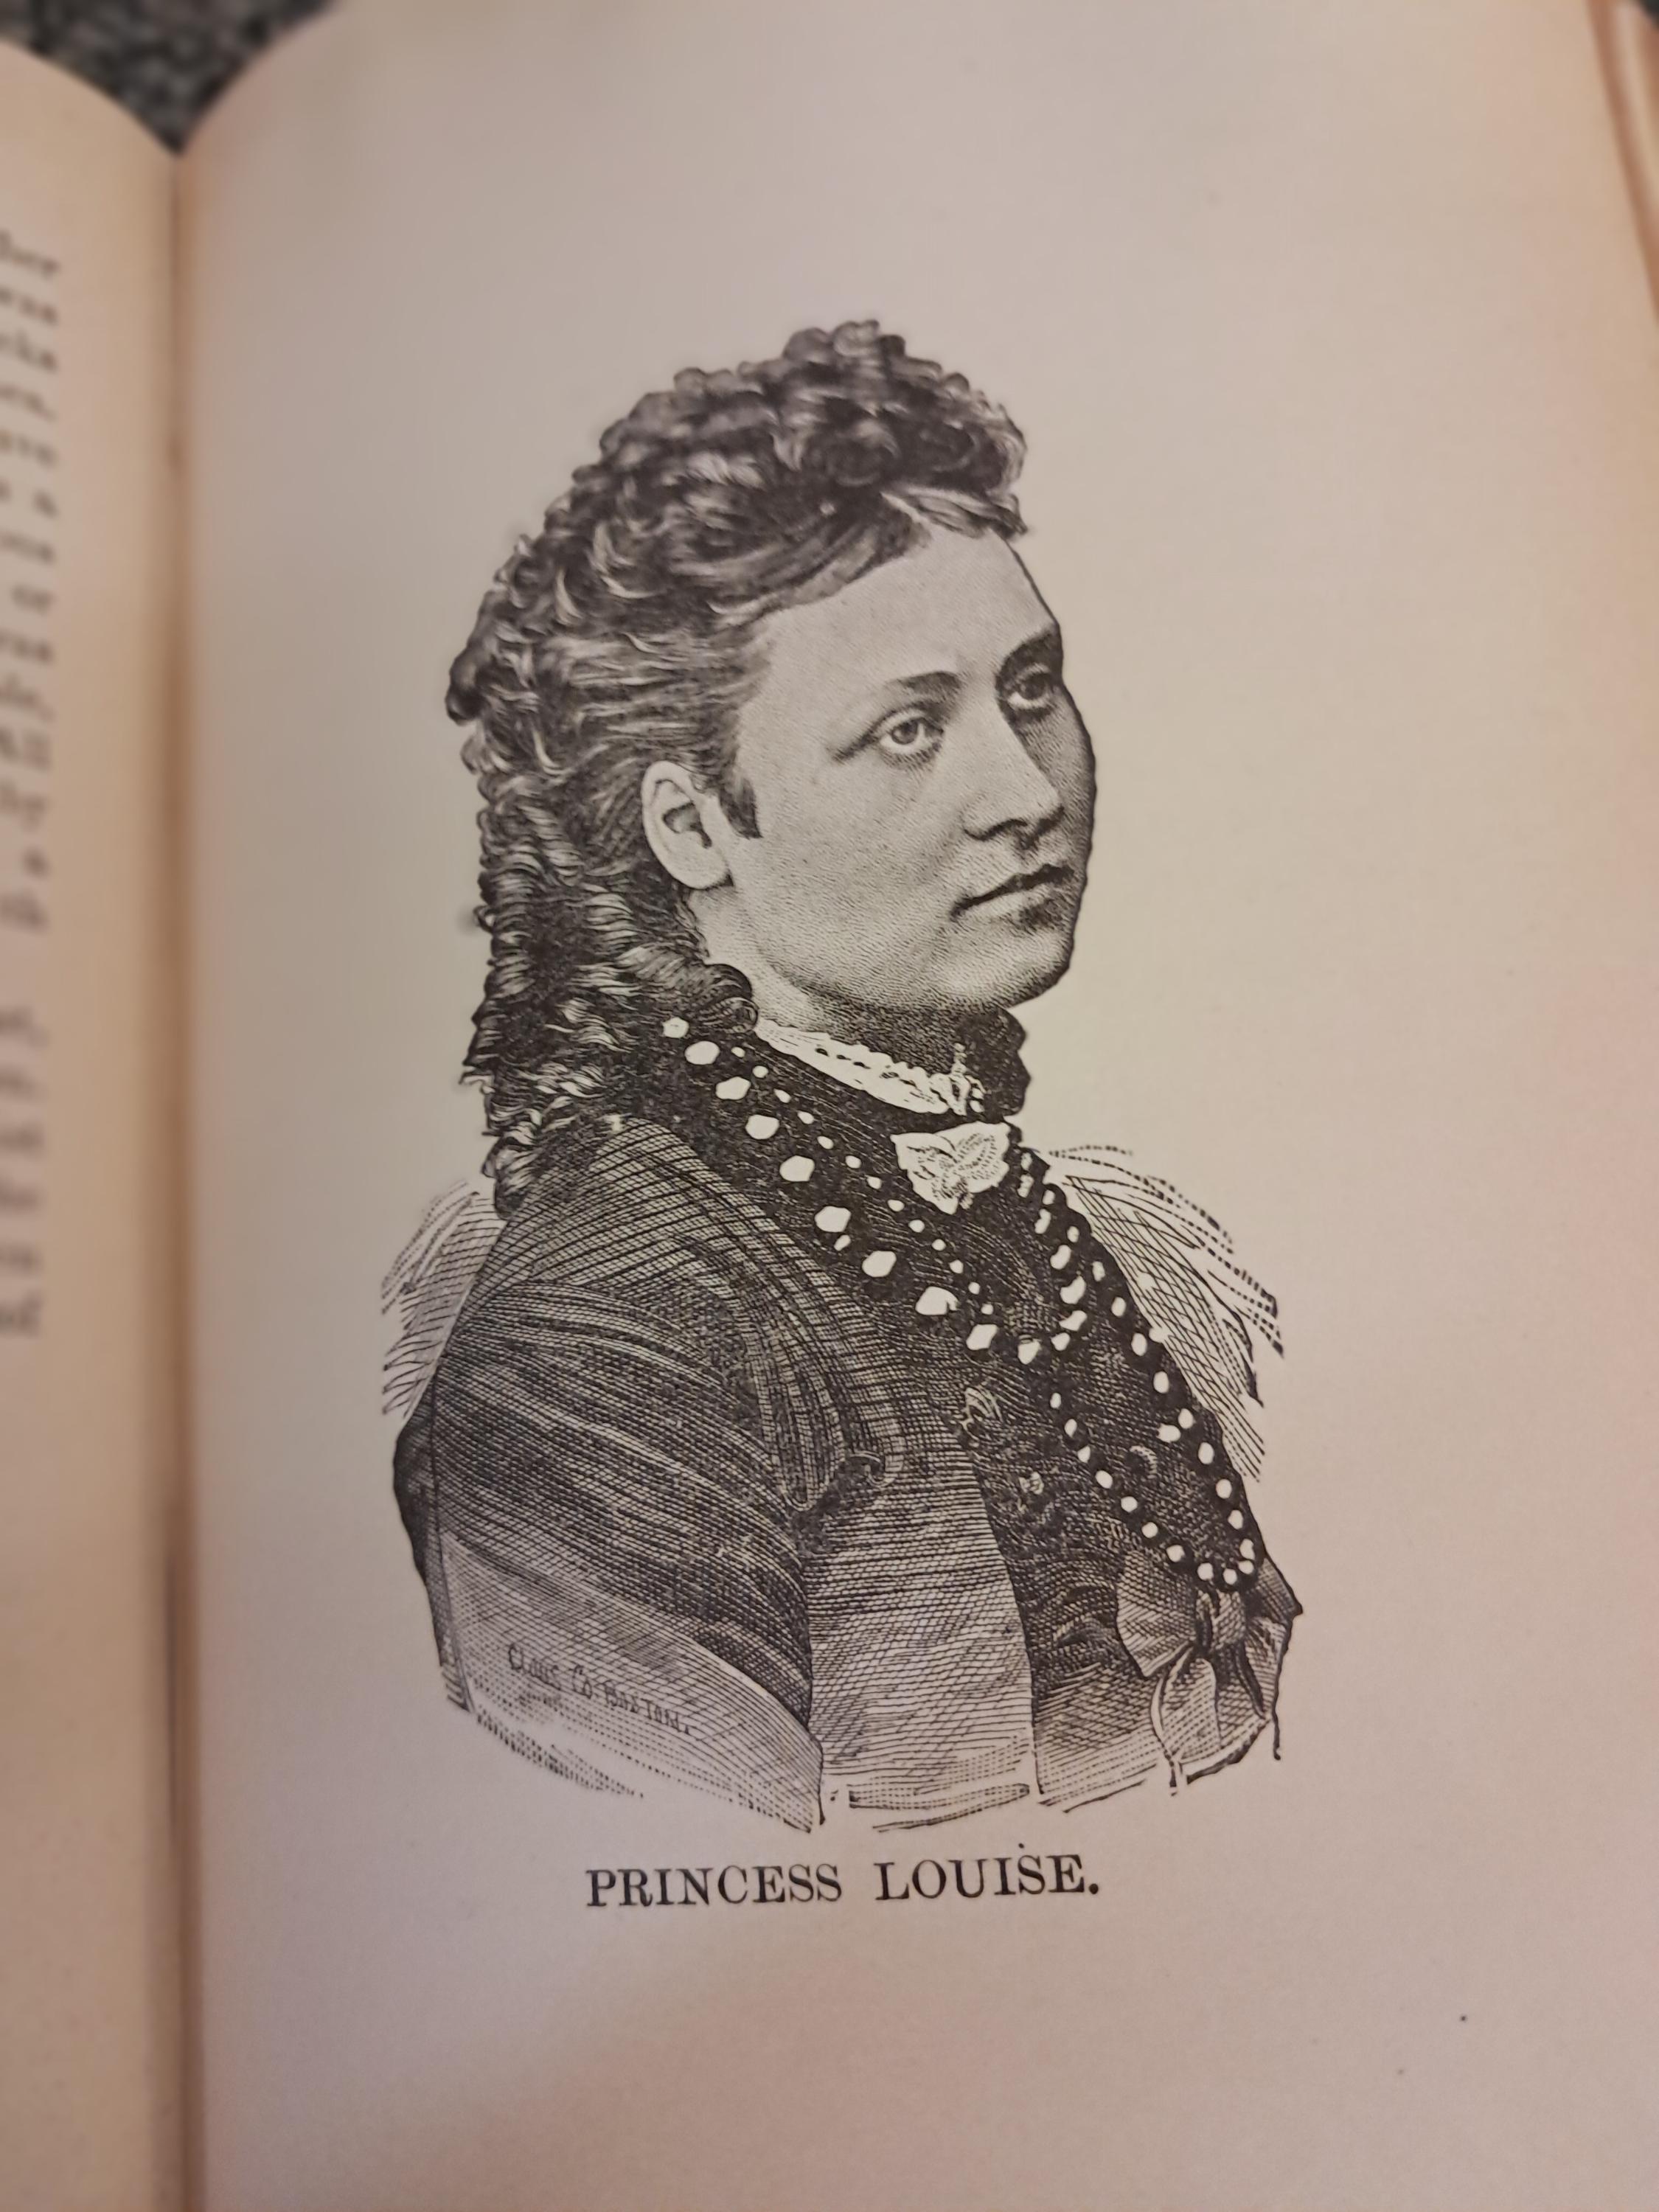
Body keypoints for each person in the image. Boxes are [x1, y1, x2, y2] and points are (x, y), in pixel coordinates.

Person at [392, 321, 1298, 1829]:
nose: (1023, 792)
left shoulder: (1019, 1216)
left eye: (1031, 688)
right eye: (907, 729)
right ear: (692, 826)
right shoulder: (601, 1343)